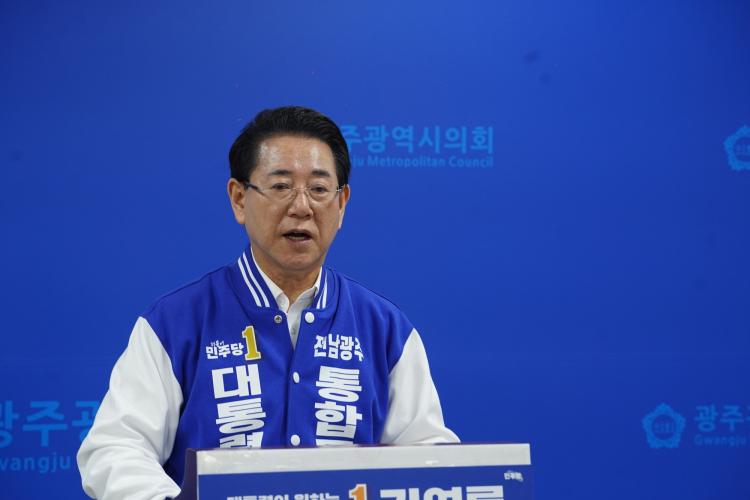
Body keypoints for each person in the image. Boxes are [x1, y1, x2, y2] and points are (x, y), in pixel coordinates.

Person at [77, 106, 458, 499]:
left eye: (319, 189)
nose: (301, 207)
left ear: (341, 203)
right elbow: (115, 449)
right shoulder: (175, 324)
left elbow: (430, 457)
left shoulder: (384, 329)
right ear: (239, 199)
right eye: (281, 187)